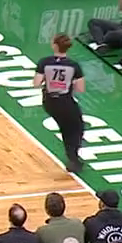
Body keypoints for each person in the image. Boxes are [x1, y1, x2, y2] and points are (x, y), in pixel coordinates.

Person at [33, 33, 86, 173]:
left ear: (54, 45)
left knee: (65, 127)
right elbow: (80, 89)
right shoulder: (74, 65)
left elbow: (36, 83)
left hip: (49, 102)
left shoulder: (44, 62)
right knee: (76, 129)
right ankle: (73, 159)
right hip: (65, 101)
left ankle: (72, 158)